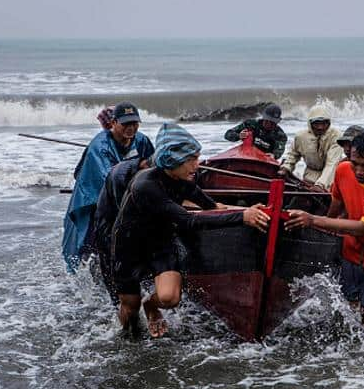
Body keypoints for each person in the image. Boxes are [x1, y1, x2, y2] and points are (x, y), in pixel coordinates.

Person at [110, 125, 271, 337]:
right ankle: (126, 340)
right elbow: (189, 221)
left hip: (160, 242)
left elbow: (213, 207)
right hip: (128, 246)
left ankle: (151, 305)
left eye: (198, 157)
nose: (197, 164)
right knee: (130, 308)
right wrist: (242, 217)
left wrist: (250, 210)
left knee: (170, 298)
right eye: (191, 159)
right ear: (172, 159)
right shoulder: (146, 185)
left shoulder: (184, 180)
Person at [284, 132, 364, 330]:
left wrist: (313, 220)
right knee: (350, 303)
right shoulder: (343, 170)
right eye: (355, 163)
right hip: (352, 248)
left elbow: (363, 228)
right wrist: (323, 229)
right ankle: (353, 342)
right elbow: (337, 204)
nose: (359, 171)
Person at [61, 102, 154, 273]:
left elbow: (153, 166)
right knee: (90, 243)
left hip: (126, 193)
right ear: (113, 123)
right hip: (93, 196)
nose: (131, 128)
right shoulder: (100, 147)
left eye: (134, 123)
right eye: (125, 123)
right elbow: (109, 180)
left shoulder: (141, 141)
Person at [277, 105, 343, 191]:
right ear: (310, 124)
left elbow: (332, 163)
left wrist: (320, 185)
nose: (320, 127)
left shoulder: (336, 136)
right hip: (309, 178)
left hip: (331, 179)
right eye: (316, 124)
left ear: (329, 123)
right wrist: (286, 168)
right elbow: (293, 155)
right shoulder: (301, 137)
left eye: (324, 123)